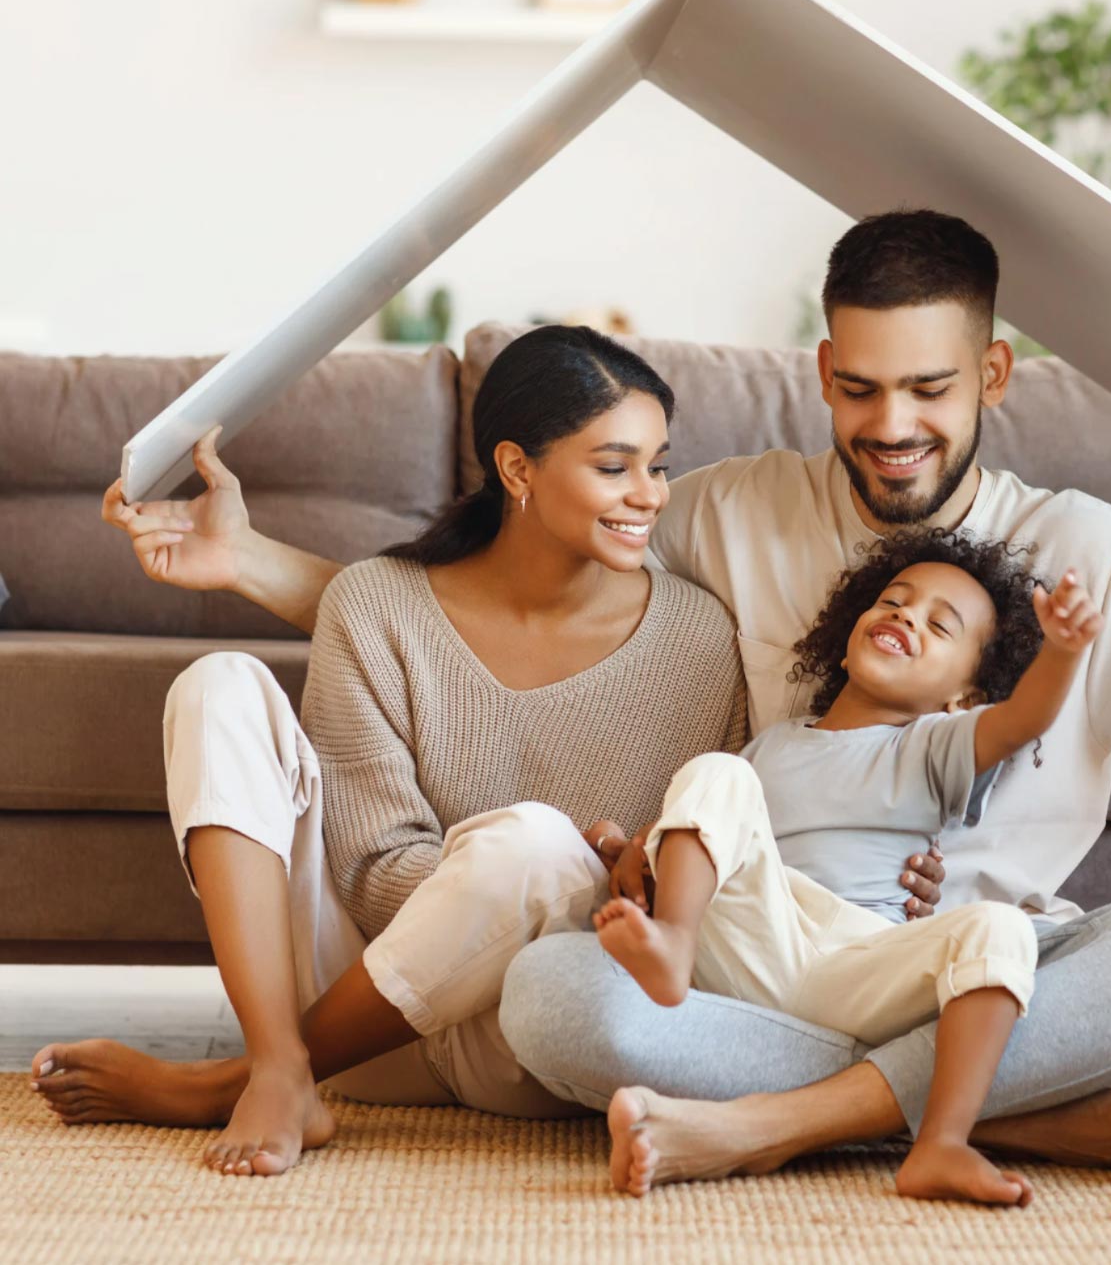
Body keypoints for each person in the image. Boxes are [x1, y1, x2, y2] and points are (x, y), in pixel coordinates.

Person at [47, 208, 1111, 1189]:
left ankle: (783, 1124)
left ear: (996, 378)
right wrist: (254, 565)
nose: (890, 423)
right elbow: (487, 605)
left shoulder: (1091, 554)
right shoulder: (723, 514)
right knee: (558, 1001)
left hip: (961, 968)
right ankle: (997, 1112)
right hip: (737, 975)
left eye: (930, 390)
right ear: (820, 370)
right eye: (858, 387)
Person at [30, 325, 756, 1177]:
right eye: (614, 466)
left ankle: (238, 1080)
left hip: (533, 1028)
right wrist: (482, 885)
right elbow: (372, 871)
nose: (650, 495)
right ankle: (278, 1060)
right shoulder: (376, 602)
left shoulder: (701, 637)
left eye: (659, 465)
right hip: (371, 1017)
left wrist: (602, 871)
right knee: (218, 683)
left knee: (532, 844)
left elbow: (704, 864)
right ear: (518, 469)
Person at [596, 534, 1104, 1204]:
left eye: (938, 625)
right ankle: (672, 944)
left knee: (1000, 929)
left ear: (965, 695)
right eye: (893, 602)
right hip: (753, 945)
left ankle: (942, 1143)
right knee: (717, 771)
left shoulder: (931, 747)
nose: (905, 617)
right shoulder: (771, 743)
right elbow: (718, 829)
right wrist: (633, 850)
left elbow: (1022, 720)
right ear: (845, 638)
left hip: (856, 959)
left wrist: (1063, 652)